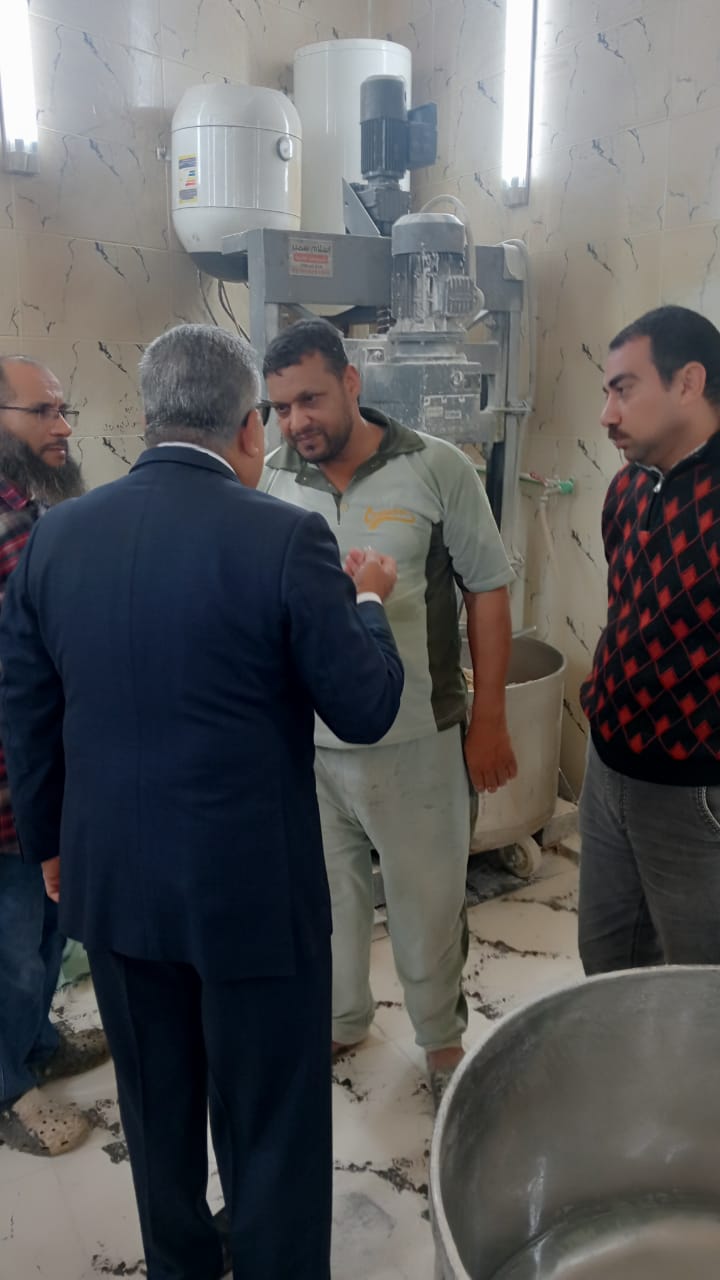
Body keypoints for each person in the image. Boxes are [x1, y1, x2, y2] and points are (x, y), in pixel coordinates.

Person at [0, 324, 403, 1280]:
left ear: (148, 418)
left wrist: (52, 846)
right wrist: (369, 606)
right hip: (251, 895)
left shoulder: (59, 536)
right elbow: (365, 707)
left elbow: (27, 706)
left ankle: (181, 1264)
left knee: (156, 1107)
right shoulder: (286, 537)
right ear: (249, 427)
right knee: (271, 1118)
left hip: (117, 888)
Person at [260, 318, 516, 1105]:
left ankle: (440, 1043)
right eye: (280, 407)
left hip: (417, 738)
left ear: (351, 382)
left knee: (427, 908)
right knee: (328, 902)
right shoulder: (271, 479)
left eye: (310, 399)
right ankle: (343, 1019)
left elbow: (488, 589)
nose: (296, 422)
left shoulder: (437, 467)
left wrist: (489, 719)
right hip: (308, 746)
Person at [580, 305, 720, 973]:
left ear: (688, 382)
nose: (607, 414)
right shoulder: (628, 488)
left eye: (624, 389)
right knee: (607, 959)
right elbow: (627, 611)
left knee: (699, 985)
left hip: (694, 792)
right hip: (607, 765)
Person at [0, 356, 108, 1159]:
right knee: (10, 943)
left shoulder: (32, 510)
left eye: (63, 410)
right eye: (42, 412)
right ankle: (10, 1089)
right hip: (7, 785)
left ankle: (36, 1042)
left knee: (42, 930)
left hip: (40, 784)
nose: (62, 427)